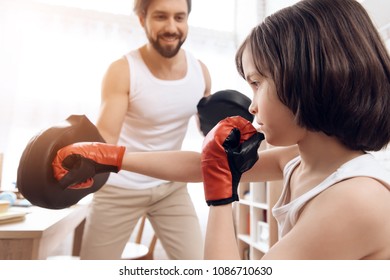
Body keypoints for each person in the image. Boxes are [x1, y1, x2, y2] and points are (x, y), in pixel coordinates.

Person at [53, 0, 390, 259]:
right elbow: (201, 164)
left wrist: (219, 198)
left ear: (309, 82)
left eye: (257, 83)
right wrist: (110, 157)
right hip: (122, 191)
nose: (252, 105)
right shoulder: (299, 161)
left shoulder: (355, 200)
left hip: (167, 192)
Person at [79, 0, 211, 260]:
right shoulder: (123, 71)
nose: (172, 27)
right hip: (119, 187)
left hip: (170, 187)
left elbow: (209, 130)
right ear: (142, 19)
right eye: (161, 17)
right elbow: (105, 141)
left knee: (197, 266)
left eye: (180, 18)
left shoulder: (201, 72)